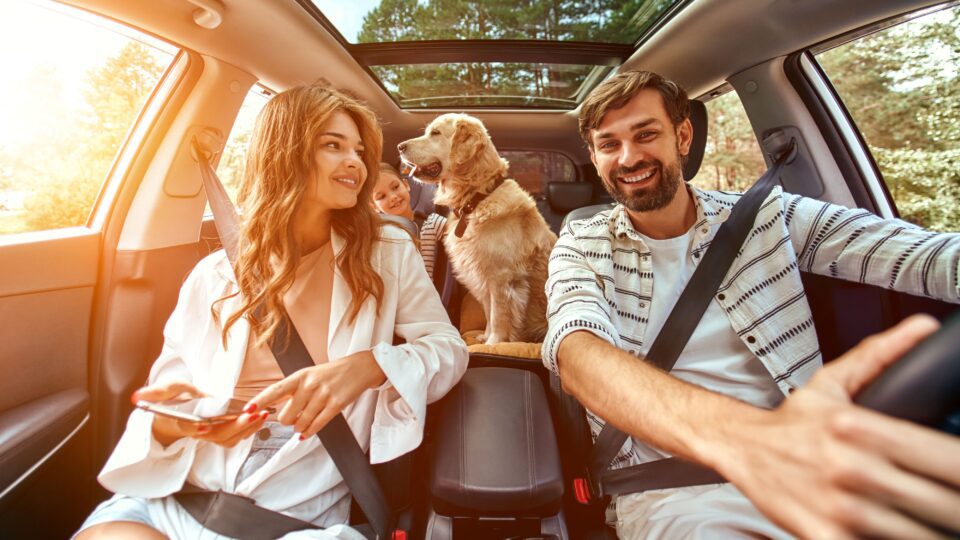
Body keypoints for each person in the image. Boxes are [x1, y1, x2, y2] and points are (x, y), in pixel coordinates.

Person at [543, 70, 960, 539]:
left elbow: (920, 255)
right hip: (671, 493)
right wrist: (752, 442)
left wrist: (784, 446)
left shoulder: (767, 215)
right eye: (609, 144)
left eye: (646, 134)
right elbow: (577, 352)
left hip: (811, 461)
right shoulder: (581, 245)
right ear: (595, 158)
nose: (628, 157)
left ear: (683, 136)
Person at [75, 85, 468, 539]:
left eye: (359, 151)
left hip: (297, 510)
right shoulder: (213, 274)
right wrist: (175, 423)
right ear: (284, 152)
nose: (355, 163)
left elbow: (449, 349)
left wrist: (369, 366)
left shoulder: (388, 252)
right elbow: (169, 398)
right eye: (333, 145)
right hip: (181, 493)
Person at [371, 162, 447, 280]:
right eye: (382, 197)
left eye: (395, 187)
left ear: (406, 185)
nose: (393, 197)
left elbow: (463, 233)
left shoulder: (431, 223)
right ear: (373, 207)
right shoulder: (381, 238)